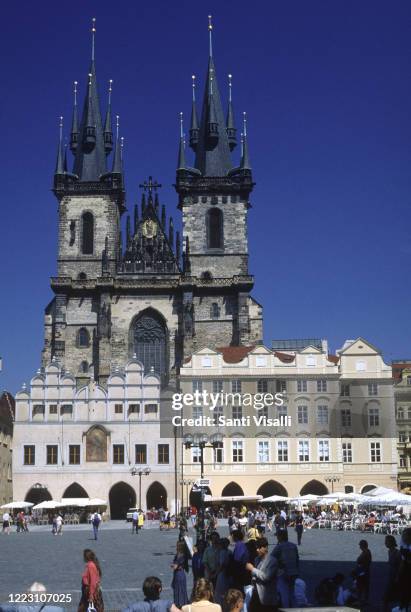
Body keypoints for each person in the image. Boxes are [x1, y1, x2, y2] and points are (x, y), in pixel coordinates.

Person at [246, 537, 278, 611]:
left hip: (267, 596)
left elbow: (266, 577)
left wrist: (252, 569)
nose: (257, 550)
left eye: (259, 548)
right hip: (256, 594)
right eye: (256, 548)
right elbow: (256, 575)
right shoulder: (257, 559)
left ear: (266, 547)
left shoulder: (272, 561)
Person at [271, 529, 299, 607]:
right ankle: (295, 609)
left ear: (280, 537)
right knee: (292, 593)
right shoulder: (293, 545)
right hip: (294, 572)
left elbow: (271, 559)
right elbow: (297, 559)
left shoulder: (279, 547)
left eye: (278, 536)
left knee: (284, 593)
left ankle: (286, 608)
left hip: (284, 572)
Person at [383, 535, 401, 611]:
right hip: (391, 575)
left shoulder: (397, 553)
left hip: (395, 577)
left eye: (386, 542)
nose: (385, 543)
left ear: (391, 543)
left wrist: (397, 577)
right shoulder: (389, 551)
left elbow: (400, 566)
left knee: (387, 597)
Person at [214, 538, 232, 606]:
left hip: (222, 574)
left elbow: (221, 565)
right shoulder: (229, 551)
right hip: (229, 574)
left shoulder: (222, 552)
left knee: (220, 591)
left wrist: (216, 573)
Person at [171, 541, 189, 608]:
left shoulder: (182, 556)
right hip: (177, 574)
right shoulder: (178, 555)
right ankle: (178, 603)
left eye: (177, 546)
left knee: (180, 589)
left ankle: (181, 604)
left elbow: (175, 566)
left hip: (180, 574)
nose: (176, 547)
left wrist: (173, 566)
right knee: (177, 588)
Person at [354, 539, 372, 606]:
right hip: (365, 571)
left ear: (363, 545)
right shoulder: (366, 551)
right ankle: (365, 600)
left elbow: (360, 561)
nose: (359, 547)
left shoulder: (366, 552)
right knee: (365, 586)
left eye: (360, 545)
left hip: (363, 571)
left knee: (360, 586)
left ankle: (360, 601)